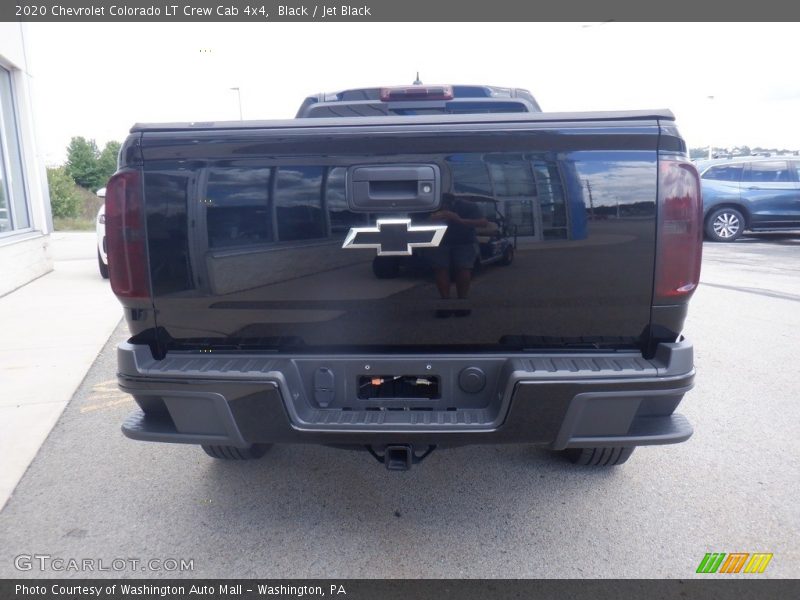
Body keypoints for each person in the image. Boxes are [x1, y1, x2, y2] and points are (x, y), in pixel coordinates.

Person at [428, 193, 488, 317]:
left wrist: (458, 219)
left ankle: (462, 302)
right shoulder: (429, 205)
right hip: (438, 241)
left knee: (463, 269)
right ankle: (445, 304)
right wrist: (430, 220)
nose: (444, 207)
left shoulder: (468, 206)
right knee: (441, 269)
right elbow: (416, 220)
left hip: (464, 241)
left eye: (445, 204)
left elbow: (483, 222)